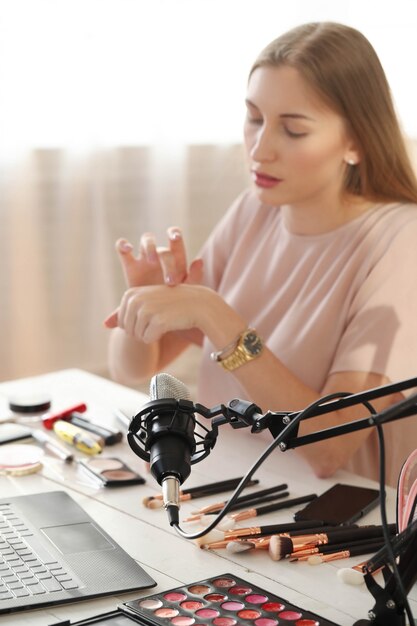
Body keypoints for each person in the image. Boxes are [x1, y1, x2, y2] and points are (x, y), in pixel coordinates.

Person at [104, 21, 417, 487]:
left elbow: (330, 446)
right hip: (232, 489)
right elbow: (134, 367)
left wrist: (217, 317)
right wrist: (142, 302)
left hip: (338, 526)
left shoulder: (401, 243)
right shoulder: (256, 209)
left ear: (356, 141)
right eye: (254, 118)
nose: (260, 148)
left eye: (293, 130)